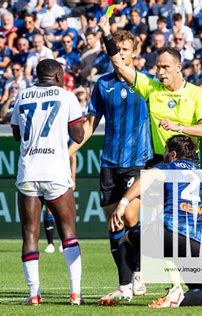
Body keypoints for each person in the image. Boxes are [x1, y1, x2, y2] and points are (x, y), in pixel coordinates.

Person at [109, 135, 202, 308]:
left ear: (172, 154)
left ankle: (126, 288)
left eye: (165, 152)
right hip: (198, 245)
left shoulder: (170, 167)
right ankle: (178, 300)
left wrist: (123, 203)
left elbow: (150, 175)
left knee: (125, 239)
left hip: (168, 232)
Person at [69, 30, 152, 305]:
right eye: (119, 49)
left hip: (137, 162)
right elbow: (91, 124)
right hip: (109, 163)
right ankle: (124, 284)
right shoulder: (102, 84)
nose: (123, 54)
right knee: (113, 224)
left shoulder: (145, 83)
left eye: (127, 49)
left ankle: (140, 270)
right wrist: (69, 150)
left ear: (134, 52)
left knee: (129, 217)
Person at [10, 59, 84, 305]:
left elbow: (16, 134)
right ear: (58, 77)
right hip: (55, 171)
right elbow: (78, 134)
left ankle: (33, 294)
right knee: (68, 233)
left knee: (30, 234)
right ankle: (75, 293)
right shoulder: (67, 96)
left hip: (29, 171)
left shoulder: (22, 96)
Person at [97, 15, 202, 158]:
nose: (161, 72)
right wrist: (107, 35)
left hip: (188, 162)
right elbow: (120, 67)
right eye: (158, 67)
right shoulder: (151, 87)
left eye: (166, 67)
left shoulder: (196, 93)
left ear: (179, 67)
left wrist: (179, 127)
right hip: (159, 160)